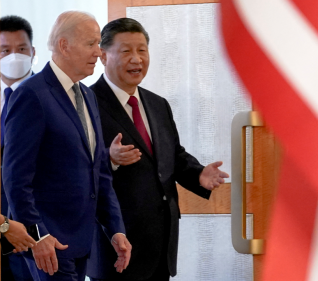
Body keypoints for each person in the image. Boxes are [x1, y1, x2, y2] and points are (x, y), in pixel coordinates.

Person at [86, 18, 229, 280]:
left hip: (160, 244)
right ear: (103, 56)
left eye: (142, 50)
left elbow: (171, 155)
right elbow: (73, 166)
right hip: (115, 247)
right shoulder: (86, 103)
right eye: (126, 51)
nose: (136, 59)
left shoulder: (157, 104)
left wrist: (197, 174)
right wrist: (110, 159)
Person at [2, 11, 132, 280]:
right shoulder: (30, 95)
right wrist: (38, 235)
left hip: (82, 243)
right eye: (91, 44)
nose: (99, 52)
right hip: (48, 245)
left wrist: (116, 229)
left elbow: (100, 172)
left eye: (99, 44)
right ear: (64, 45)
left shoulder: (86, 94)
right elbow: (15, 177)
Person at [0, 15, 37, 281]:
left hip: (40, 233)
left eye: (21, 49)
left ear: (33, 52)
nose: (14, 56)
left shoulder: (52, 97)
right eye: (5, 50)